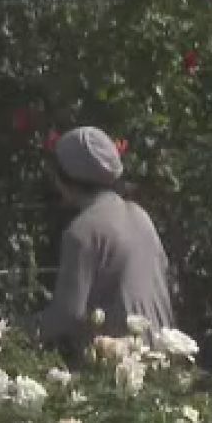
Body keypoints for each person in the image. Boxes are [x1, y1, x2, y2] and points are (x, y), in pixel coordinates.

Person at [36, 126, 175, 359]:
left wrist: (8, 332)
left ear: (64, 178)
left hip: (121, 364)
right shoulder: (141, 217)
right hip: (160, 355)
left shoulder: (82, 231)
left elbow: (67, 316)